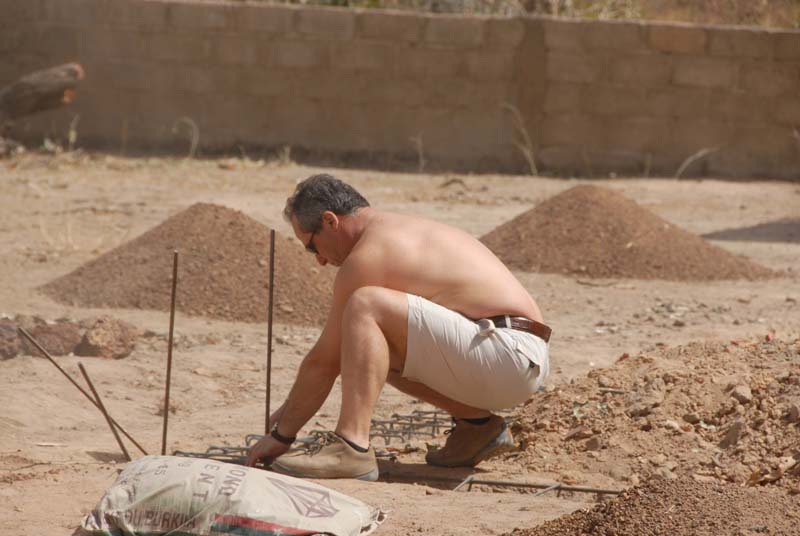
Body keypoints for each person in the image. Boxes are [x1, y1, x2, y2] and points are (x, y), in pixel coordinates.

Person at [245, 173, 551, 481]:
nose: (320, 260)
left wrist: (283, 435)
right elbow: (338, 359)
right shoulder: (399, 229)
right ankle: (477, 428)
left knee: (366, 305)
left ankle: (351, 447)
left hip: (506, 353)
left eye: (312, 246)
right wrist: (286, 414)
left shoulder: (369, 254)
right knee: (375, 352)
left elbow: (325, 362)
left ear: (329, 221)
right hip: (514, 356)